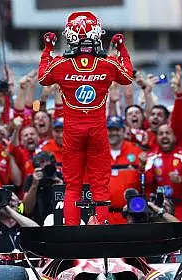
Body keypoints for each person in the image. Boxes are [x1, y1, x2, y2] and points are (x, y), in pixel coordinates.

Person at [38, 11, 134, 226]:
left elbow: (43, 78)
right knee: (99, 186)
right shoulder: (108, 64)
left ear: (70, 36)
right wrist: (121, 49)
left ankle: (73, 235)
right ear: (97, 34)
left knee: (72, 186)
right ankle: (100, 230)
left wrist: (47, 48)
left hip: (72, 133)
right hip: (97, 132)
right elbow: (127, 77)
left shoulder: (60, 65)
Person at [22, 151, 64, 225]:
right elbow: (26, 209)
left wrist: (61, 188)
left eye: (49, 166)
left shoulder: (60, 177)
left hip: (58, 223)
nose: (46, 168)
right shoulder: (31, 179)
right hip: (37, 224)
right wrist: (34, 185)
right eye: (42, 163)